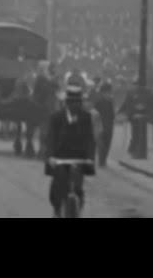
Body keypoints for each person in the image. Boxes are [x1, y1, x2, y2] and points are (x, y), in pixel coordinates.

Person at [45, 84, 96, 218]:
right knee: (57, 189)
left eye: (78, 102)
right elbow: (50, 138)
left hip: (79, 158)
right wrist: (50, 156)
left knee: (78, 189)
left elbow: (90, 139)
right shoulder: (56, 117)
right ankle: (57, 210)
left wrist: (90, 158)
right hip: (60, 158)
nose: (75, 105)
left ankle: (77, 210)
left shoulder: (86, 117)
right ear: (66, 103)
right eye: (72, 102)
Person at [91, 80, 116, 168]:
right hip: (100, 125)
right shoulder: (98, 101)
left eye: (109, 92)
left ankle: (104, 160)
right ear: (103, 93)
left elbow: (112, 114)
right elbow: (94, 112)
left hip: (109, 125)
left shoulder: (110, 102)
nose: (108, 94)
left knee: (108, 143)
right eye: (106, 92)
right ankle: (101, 161)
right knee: (101, 144)